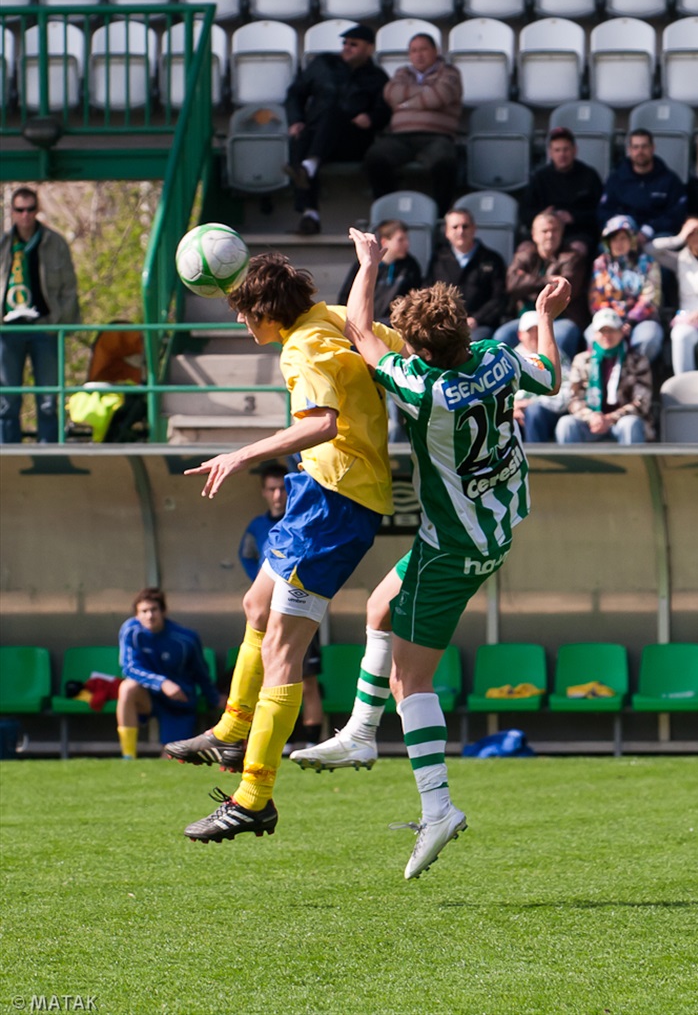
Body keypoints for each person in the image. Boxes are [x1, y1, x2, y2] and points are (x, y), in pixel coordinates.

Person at [308, 227, 568, 880]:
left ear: (420, 349)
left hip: (450, 545)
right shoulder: (499, 357)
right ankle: (361, 733)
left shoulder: (418, 384)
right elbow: (552, 377)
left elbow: (362, 329)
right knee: (378, 606)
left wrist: (368, 263)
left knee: (411, 680)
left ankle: (438, 806)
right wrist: (542, 317)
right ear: (467, 327)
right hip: (499, 521)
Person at [164, 252, 396, 843]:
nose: (244, 327)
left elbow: (321, 421)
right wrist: (368, 267)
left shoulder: (301, 347)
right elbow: (385, 338)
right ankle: (231, 730)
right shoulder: (332, 316)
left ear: (268, 312)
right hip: (320, 492)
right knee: (256, 607)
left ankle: (253, 797)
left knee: (283, 655)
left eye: (246, 316)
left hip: (336, 501)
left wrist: (241, 453)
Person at [238, 461, 324, 750]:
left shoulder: (301, 519)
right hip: (268, 610)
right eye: (272, 489)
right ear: (264, 492)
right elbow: (246, 556)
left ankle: (311, 743)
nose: (278, 495)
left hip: (298, 605)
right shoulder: (257, 526)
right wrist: (260, 585)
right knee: (268, 673)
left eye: (281, 489)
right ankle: (275, 742)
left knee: (306, 679)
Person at [285, 24, 390, 236]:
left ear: (369, 48)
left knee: (331, 115)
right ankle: (310, 213)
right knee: (300, 136)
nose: (347, 48)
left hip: (352, 140)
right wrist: (295, 119)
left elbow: (385, 110)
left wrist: (370, 118)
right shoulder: (324, 64)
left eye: (354, 44)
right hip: (316, 136)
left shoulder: (377, 77)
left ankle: (308, 168)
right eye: (345, 43)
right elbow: (296, 93)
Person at [0, 186, 79, 443]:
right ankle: (7, 456)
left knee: (48, 399)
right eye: (20, 209)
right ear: (12, 212)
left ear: (37, 210)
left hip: (45, 327)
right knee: (7, 400)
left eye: (30, 209)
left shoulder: (54, 243)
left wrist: (56, 323)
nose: (25, 215)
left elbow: (69, 289)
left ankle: (50, 455)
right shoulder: (4, 244)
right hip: (8, 331)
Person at [117, 587, 222, 760]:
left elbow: (200, 671)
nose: (149, 616)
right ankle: (128, 756)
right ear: (137, 614)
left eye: (154, 610)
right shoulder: (131, 631)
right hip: (149, 698)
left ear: (164, 611)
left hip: (178, 704)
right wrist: (162, 683)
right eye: (144, 611)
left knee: (171, 758)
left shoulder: (185, 639)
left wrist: (214, 698)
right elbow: (129, 667)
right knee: (127, 687)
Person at [364, 33, 462, 216]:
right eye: (413, 51)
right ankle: (388, 214)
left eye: (423, 49)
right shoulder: (403, 73)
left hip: (436, 137)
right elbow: (390, 93)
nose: (419, 55)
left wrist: (406, 103)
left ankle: (441, 216)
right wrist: (424, 93)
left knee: (445, 161)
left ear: (435, 51)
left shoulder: (449, 72)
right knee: (375, 157)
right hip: (400, 137)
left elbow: (440, 96)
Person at [496, 211, 586, 359]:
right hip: (525, 318)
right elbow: (512, 285)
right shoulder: (523, 256)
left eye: (554, 230)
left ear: (562, 233)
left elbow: (565, 289)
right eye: (545, 231)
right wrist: (547, 280)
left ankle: (560, 380)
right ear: (534, 234)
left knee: (561, 337)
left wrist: (528, 282)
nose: (550, 235)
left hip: (560, 317)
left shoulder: (572, 257)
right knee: (502, 336)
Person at [556, 308, 654, 445]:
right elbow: (573, 399)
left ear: (621, 332)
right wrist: (592, 417)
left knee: (630, 424)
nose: (607, 335)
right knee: (566, 423)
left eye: (612, 330)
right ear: (595, 334)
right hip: (590, 422)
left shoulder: (637, 361)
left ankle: (633, 466)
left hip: (621, 422)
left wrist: (610, 418)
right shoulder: (582, 360)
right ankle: (573, 466)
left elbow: (641, 402)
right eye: (602, 331)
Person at [588, 215, 663, 363]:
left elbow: (651, 298)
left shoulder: (647, 263)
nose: (618, 243)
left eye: (623, 238)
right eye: (614, 239)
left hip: (640, 320)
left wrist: (630, 321)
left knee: (648, 338)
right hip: (609, 320)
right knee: (590, 336)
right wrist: (613, 323)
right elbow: (596, 299)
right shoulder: (600, 264)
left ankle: (637, 378)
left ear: (632, 239)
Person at [521, 125, 603, 256]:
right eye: (557, 150)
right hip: (545, 232)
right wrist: (543, 216)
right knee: (524, 250)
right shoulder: (539, 177)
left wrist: (573, 217)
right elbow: (524, 213)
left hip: (576, 232)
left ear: (575, 150)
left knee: (577, 249)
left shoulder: (589, 176)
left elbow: (600, 213)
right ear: (550, 153)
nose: (562, 154)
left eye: (566, 150)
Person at [426, 207, 506, 340]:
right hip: (444, 325)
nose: (461, 231)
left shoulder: (492, 259)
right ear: (446, 232)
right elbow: (428, 291)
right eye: (455, 227)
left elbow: (499, 298)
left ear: (474, 228)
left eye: (465, 226)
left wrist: (476, 319)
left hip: (479, 327)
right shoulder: (438, 259)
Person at [598, 128, 687, 241]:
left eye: (644, 146)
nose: (640, 151)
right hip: (623, 235)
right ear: (629, 150)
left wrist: (648, 230)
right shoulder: (616, 179)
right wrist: (625, 228)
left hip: (656, 236)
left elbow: (676, 214)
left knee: (663, 244)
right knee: (604, 247)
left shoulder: (669, 179)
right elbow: (604, 211)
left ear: (652, 148)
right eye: (635, 147)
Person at [337, 219, 423, 324]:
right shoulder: (363, 264)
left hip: (396, 325)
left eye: (407, 239)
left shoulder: (410, 265)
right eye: (400, 240)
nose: (407, 244)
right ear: (384, 242)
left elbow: (416, 297)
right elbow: (346, 296)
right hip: (366, 322)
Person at [644, 217, 698, 375]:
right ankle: (686, 391)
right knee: (680, 335)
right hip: (689, 320)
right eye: (692, 233)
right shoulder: (681, 259)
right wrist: (678, 238)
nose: (696, 237)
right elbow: (649, 250)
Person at [513, 310, 572, 443]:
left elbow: (566, 394)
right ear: (520, 335)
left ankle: (539, 462)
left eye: (538, 330)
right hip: (516, 414)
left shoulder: (558, 357)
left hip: (548, 413)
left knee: (534, 412)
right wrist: (512, 407)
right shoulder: (511, 358)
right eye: (530, 331)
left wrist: (531, 404)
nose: (535, 335)